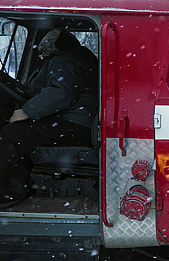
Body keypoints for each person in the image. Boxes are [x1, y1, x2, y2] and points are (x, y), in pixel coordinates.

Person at [0, 28, 98, 208]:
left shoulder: (67, 60)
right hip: (79, 122)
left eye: (46, 43)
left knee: (11, 134)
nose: (42, 49)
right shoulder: (75, 57)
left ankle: (11, 192)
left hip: (75, 123)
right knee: (21, 134)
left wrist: (26, 111)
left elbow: (60, 94)